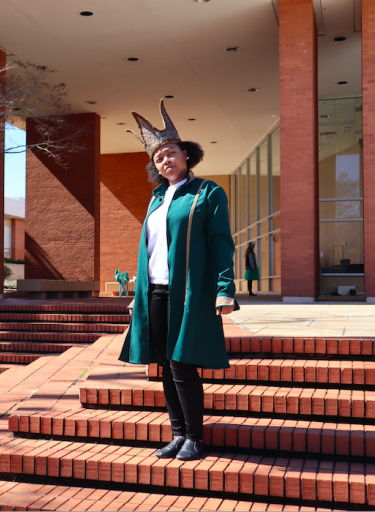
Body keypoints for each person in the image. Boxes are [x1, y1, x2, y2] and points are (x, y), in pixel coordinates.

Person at [119, 99, 238, 461]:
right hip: (154, 292)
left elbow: (221, 244)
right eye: (158, 157)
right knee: (164, 366)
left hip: (188, 293)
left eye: (171, 152)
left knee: (182, 364)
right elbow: (150, 250)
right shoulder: (156, 199)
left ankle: (195, 438)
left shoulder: (208, 192)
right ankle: (178, 434)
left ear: (186, 154)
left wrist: (224, 289)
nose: (165, 160)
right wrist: (139, 292)